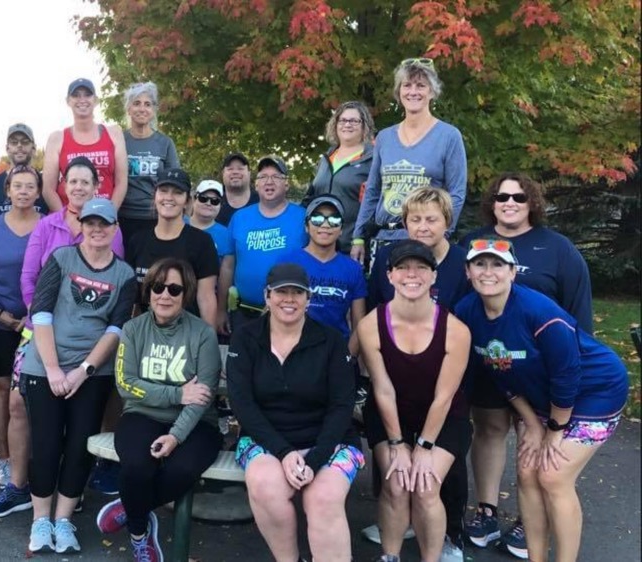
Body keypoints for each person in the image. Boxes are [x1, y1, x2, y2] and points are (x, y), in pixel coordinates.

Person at [455, 239, 628, 562]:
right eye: (480, 264)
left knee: (552, 474)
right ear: (468, 271)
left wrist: (554, 429)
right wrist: (532, 423)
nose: (488, 272)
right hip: (539, 399)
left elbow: (567, 374)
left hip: (595, 390)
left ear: (512, 272)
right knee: (526, 471)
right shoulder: (467, 312)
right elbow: (498, 372)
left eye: (497, 265)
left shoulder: (540, 312)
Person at [459, 172, 594, 559]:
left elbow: (576, 313)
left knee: (537, 442)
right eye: (502, 196)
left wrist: (575, 359)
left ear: (531, 201)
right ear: (492, 202)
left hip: (540, 365)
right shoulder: (473, 241)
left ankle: (526, 519)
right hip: (492, 358)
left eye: (519, 196)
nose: (510, 202)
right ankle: (486, 509)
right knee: (490, 428)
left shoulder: (557, 248)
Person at [0, 156, 124, 518]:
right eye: (72, 181)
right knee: (18, 403)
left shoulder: (109, 228)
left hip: (88, 338)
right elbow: (29, 279)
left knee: (79, 409)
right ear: (63, 186)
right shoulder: (47, 226)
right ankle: (18, 485)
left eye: (85, 182)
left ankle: (66, 489)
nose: (78, 187)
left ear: (96, 187)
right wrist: (46, 324)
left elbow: (113, 284)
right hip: (41, 329)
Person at [359, 187, 471, 560]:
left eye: (420, 268)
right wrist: (396, 444)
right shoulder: (371, 326)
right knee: (395, 482)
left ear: (432, 275)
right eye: (403, 268)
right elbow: (383, 389)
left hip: (442, 414)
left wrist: (422, 447)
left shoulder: (456, 330)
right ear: (389, 275)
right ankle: (389, 556)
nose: (412, 275)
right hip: (393, 412)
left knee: (424, 484)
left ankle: (435, 553)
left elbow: (445, 396)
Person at [22, 198, 136, 554]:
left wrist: (84, 371)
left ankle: (64, 519)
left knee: (79, 446)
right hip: (45, 366)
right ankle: (41, 520)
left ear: (115, 228)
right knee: (46, 444)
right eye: (90, 223)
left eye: (104, 223)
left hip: (92, 372)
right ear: (81, 226)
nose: (97, 229)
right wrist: (55, 369)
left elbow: (116, 328)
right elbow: (40, 314)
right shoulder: (62, 259)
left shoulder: (125, 275)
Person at [227, 263, 362, 562]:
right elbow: (242, 403)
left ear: (308, 298)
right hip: (267, 439)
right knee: (265, 486)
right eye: (281, 292)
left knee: (323, 498)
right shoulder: (246, 338)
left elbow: (342, 406)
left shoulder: (330, 340)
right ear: (267, 296)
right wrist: (285, 452)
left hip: (329, 439)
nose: (289, 299)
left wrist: (313, 460)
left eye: (297, 292)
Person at [96, 258, 222, 561]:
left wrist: (176, 436)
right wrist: (178, 393)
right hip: (142, 414)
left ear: (186, 294)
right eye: (157, 286)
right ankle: (140, 533)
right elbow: (126, 384)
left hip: (196, 423)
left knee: (182, 469)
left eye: (174, 289)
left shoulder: (203, 334)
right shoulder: (133, 329)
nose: (164, 295)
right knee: (137, 466)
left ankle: (131, 506)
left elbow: (203, 396)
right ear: (148, 290)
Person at [350, 58, 467, 267]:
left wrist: (442, 234)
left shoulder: (449, 136)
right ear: (399, 92)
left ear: (432, 92)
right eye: (407, 85)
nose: (413, 91)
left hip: (426, 241)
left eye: (421, 85)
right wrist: (358, 236)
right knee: (383, 300)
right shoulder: (385, 137)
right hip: (384, 238)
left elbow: (456, 193)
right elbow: (373, 190)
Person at [0, 165, 42, 491]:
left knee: (35, 394)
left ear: (38, 192)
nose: (24, 191)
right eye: (18, 186)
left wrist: (34, 315)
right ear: (7, 190)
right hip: (0, 322)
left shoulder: (46, 225)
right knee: (3, 389)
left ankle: (31, 458)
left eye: (30, 186)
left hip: (37, 324)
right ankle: (3, 456)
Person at [216, 156, 306, 337]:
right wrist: (220, 310)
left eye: (276, 177)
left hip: (288, 314)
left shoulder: (303, 218)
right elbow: (228, 265)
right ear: (256, 185)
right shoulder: (240, 218)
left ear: (286, 185)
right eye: (263, 176)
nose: (269, 181)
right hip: (244, 313)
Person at [125, 167, 218, 326]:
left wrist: (208, 344)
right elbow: (134, 302)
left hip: (187, 335)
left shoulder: (202, 242)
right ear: (155, 196)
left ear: (187, 201)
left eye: (177, 192)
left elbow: (206, 298)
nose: (169, 197)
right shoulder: (137, 241)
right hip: (146, 335)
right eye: (164, 190)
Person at [277, 195, 366, 341]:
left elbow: (359, 325)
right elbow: (271, 312)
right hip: (292, 349)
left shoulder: (353, 269)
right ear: (307, 226)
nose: (325, 225)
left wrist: (348, 357)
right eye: (317, 219)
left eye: (334, 220)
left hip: (336, 351)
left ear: (341, 229)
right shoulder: (287, 262)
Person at [42, 78, 128, 212]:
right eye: (76, 95)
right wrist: (66, 220)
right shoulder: (57, 138)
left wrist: (110, 215)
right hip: (68, 217)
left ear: (96, 100)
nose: (82, 99)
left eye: (87, 94)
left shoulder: (114, 134)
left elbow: (121, 182)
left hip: (103, 217)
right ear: (68, 101)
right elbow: (48, 189)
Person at [302, 100, 375, 252]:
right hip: (320, 245)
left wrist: (359, 238)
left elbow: (374, 204)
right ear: (335, 124)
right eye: (342, 120)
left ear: (364, 126)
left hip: (353, 246)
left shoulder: (373, 159)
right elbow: (310, 197)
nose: (347, 124)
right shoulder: (325, 159)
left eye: (354, 121)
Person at [119, 82, 181, 244]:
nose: (142, 109)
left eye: (147, 104)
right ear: (128, 109)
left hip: (155, 217)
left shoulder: (165, 143)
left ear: (153, 110)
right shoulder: (118, 140)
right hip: (123, 217)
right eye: (137, 103)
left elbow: (175, 182)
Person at [0, 123, 47, 216]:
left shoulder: (47, 184)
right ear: (7, 148)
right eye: (14, 142)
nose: (19, 145)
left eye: (25, 142)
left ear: (34, 148)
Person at [188, 179, 230, 262]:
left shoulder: (227, 235)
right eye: (203, 198)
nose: (208, 203)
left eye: (215, 201)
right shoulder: (178, 225)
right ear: (194, 199)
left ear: (220, 205)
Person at [217, 152, 258, 226]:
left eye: (240, 168)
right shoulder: (213, 201)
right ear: (223, 173)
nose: (235, 172)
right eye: (230, 169)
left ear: (249, 174)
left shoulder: (262, 201)